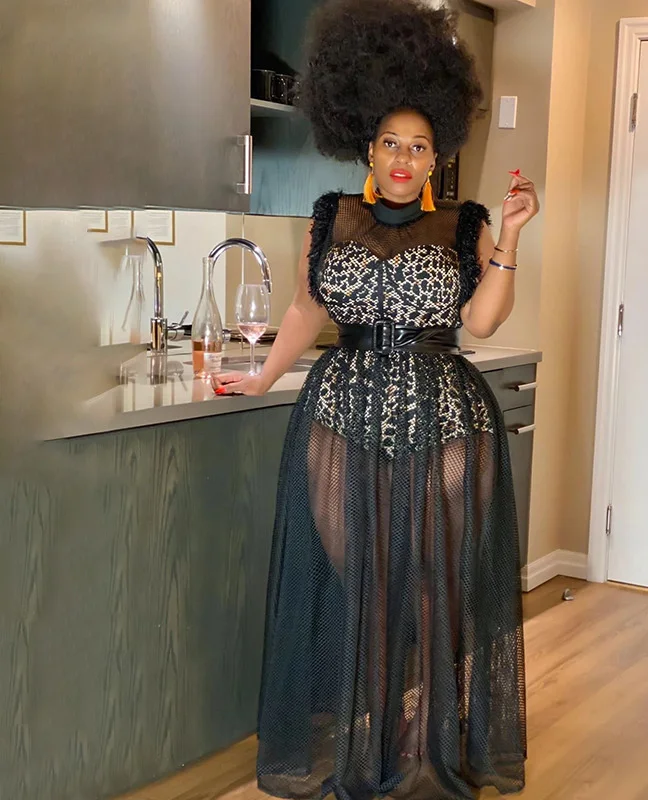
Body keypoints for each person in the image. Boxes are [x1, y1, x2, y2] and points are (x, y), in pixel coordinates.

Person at [212, 0, 539, 797]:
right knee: (363, 584)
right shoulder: (330, 218)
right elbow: (305, 310)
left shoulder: (466, 224)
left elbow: (483, 320)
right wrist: (262, 376)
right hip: (341, 416)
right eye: (392, 141)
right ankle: (375, 735)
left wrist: (513, 236)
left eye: (419, 146)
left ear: (436, 157)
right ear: (368, 145)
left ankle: (429, 735)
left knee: (432, 587)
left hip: (444, 420)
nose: (403, 156)